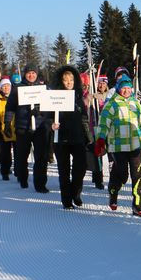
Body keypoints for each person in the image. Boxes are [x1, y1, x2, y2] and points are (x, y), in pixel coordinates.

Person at [95, 75, 141, 216]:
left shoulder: (136, 104)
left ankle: (137, 205)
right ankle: (113, 192)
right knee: (122, 175)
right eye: (123, 88)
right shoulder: (112, 104)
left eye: (128, 88)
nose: (126, 91)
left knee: (137, 175)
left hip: (135, 146)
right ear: (119, 89)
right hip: (118, 146)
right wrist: (100, 140)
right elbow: (103, 125)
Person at [49, 65, 91, 209]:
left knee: (81, 167)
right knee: (64, 171)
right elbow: (46, 116)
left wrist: (88, 137)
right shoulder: (54, 96)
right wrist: (51, 124)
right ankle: (66, 200)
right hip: (61, 139)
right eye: (66, 80)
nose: (69, 83)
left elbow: (84, 118)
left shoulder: (79, 97)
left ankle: (76, 193)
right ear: (61, 81)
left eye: (71, 80)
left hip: (78, 137)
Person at [6, 66, 51, 193]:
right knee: (21, 156)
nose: (31, 75)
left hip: (39, 127)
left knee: (41, 157)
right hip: (23, 127)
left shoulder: (44, 89)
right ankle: (23, 178)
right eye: (28, 73)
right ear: (24, 74)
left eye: (33, 73)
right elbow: (10, 107)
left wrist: (40, 111)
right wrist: (7, 123)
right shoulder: (17, 89)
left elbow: (51, 104)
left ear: (37, 74)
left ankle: (40, 183)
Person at [84, 74, 110, 190]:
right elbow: (84, 107)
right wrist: (89, 100)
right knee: (97, 154)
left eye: (104, 83)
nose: (101, 85)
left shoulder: (110, 95)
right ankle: (98, 178)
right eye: (99, 83)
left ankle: (114, 176)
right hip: (94, 128)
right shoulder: (90, 95)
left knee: (110, 155)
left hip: (108, 129)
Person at [0, 78, 15, 181]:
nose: (6, 88)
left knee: (19, 153)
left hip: (17, 130)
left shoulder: (16, 98)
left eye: (7, 86)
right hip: (3, 131)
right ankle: (5, 172)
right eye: (4, 86)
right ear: (1, 88)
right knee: (5, 154)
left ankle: (19, 171)